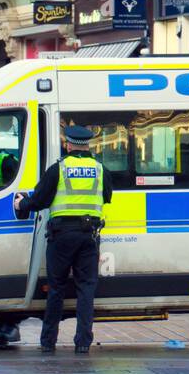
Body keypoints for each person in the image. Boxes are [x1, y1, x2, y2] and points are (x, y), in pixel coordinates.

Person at [12, 125, 114, 353]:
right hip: (89, 235)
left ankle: (49, 342)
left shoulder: (59, 168)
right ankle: (83, 343)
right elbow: (107, 196)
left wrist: (22, 204)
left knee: (56, 288)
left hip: (62, 237)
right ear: (88, 145)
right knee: (86, 288)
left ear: (68, 145)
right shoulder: (100, 169)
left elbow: (40, 200)